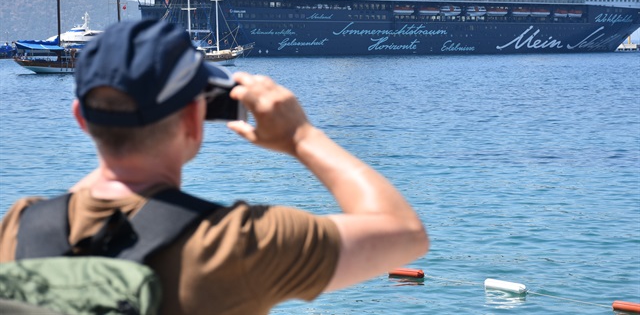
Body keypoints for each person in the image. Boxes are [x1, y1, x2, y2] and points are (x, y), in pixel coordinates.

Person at [0, 20, 429, 314]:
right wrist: (300, 137)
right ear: (194, 119)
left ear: (81, 117)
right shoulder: (239, 243)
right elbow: (404, 233)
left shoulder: (18, 228)